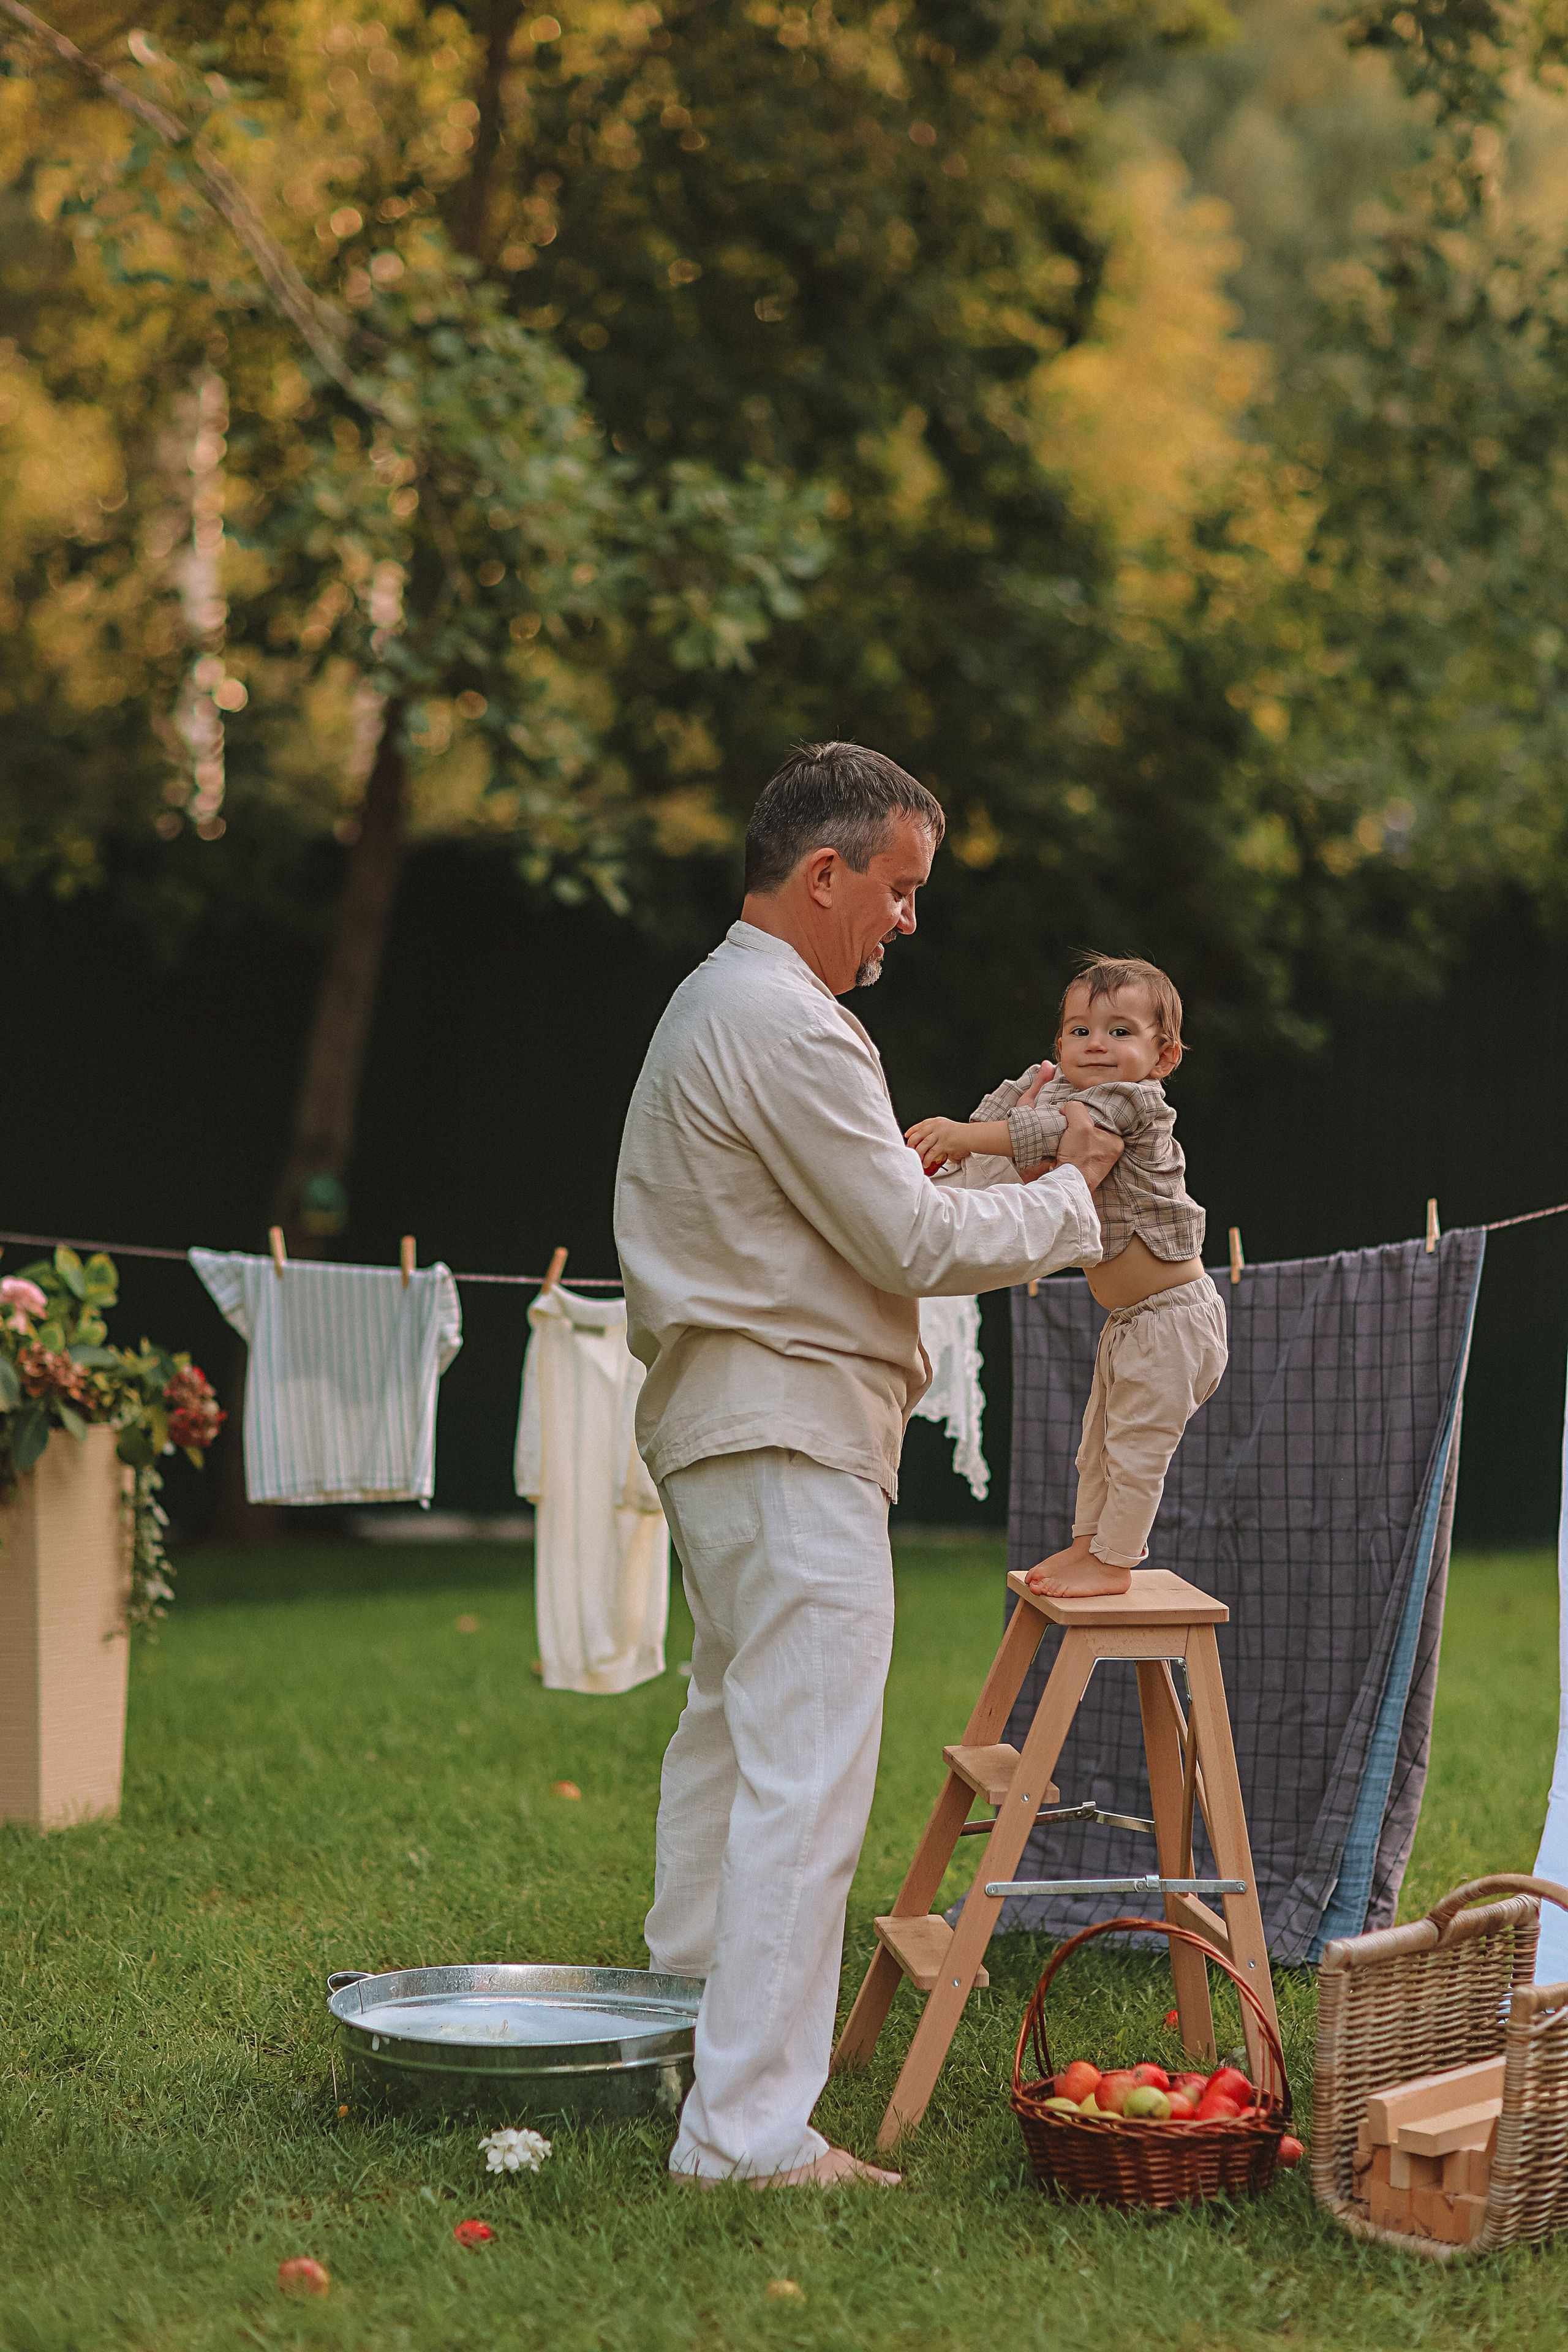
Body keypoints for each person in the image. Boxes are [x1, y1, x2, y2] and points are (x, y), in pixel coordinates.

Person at [614, 742, 1121, 2187]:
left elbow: (868, 1214)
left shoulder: (724, 1004)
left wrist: (976, 1168)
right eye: (896, 888)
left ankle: (685, 2050)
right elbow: (905, 1246)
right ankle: (749, 2132)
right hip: (785, 1434)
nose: (908, 917)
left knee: (730, 1744)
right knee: (804, 1775)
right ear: (822, 871)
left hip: (733, 1425)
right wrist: (1066, 1190)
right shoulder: (783, 1020)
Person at [905, 953, 1227, 1602]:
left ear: (1163, 1058)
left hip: (1174, 1318)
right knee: (1098, 1448)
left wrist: (964, 1135)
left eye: (1119, 1031)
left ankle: (1114, 1561)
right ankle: (1089, 1547)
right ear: (1059, 1044)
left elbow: (1044, 1132)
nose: (1097, 1045)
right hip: (1131, 1322)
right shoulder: (1065, 1092)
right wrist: (965, 1136)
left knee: (1135, 1451)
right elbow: (1015, 1110)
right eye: (1080, 1031)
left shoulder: (1133, 1104)